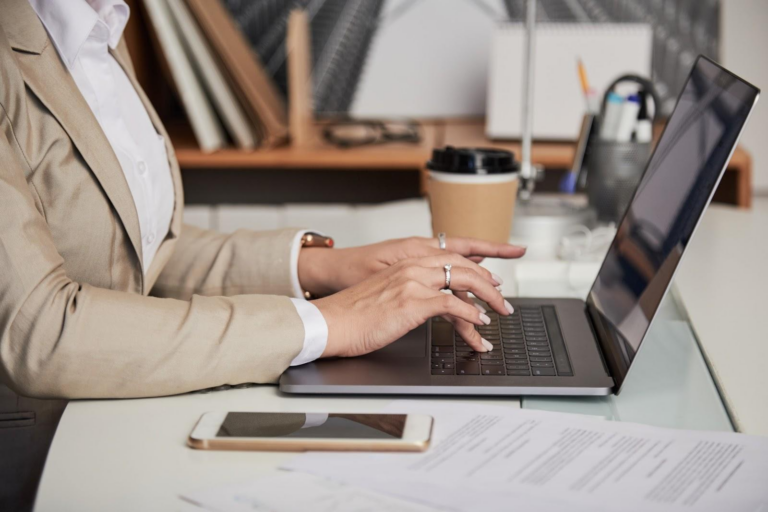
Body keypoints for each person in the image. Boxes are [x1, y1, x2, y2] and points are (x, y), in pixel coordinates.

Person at [0, 0, 524, 509]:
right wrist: (323, 324)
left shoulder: (100, 27)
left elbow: (141, 259)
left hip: (116, 426)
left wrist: (324, 267)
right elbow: (41, 332)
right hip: (45, 457)